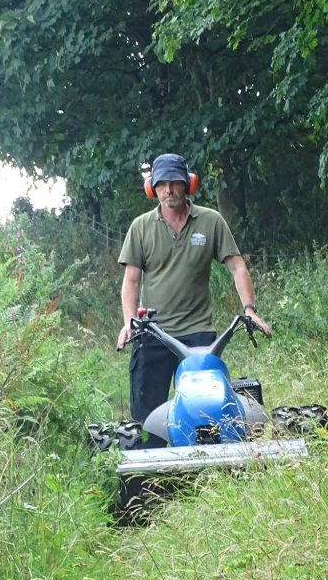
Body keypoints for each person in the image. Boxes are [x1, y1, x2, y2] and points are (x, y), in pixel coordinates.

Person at [115, 153, 271, 431]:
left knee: (206, 414)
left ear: (188, 184)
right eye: (162, 184)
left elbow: (237, 268)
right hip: (154, 333)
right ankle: (157, 470)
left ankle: (209, 468)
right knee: (146, 419)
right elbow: (131, 280)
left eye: (175, 182)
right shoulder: (141, 227)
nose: (169, 190)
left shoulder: (210, 221)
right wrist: (129, 322)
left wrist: (249, 310)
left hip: (198, 335)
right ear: (152, 188)